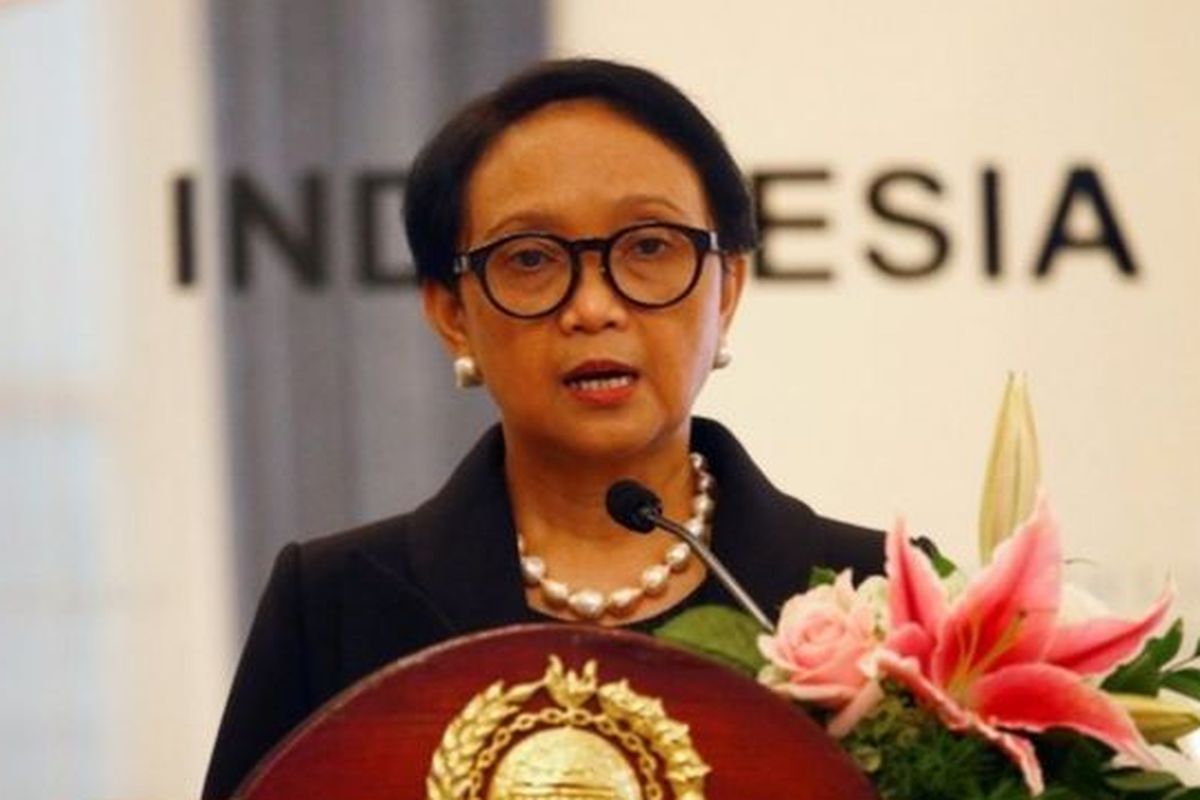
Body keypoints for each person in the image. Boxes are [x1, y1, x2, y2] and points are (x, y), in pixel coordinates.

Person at [201, 58, 884, 800]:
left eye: (649, 247)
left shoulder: (872, 595)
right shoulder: (333, 606)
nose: (593, 307)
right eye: (530, 258)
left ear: (728, 288)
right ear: (451, 313)